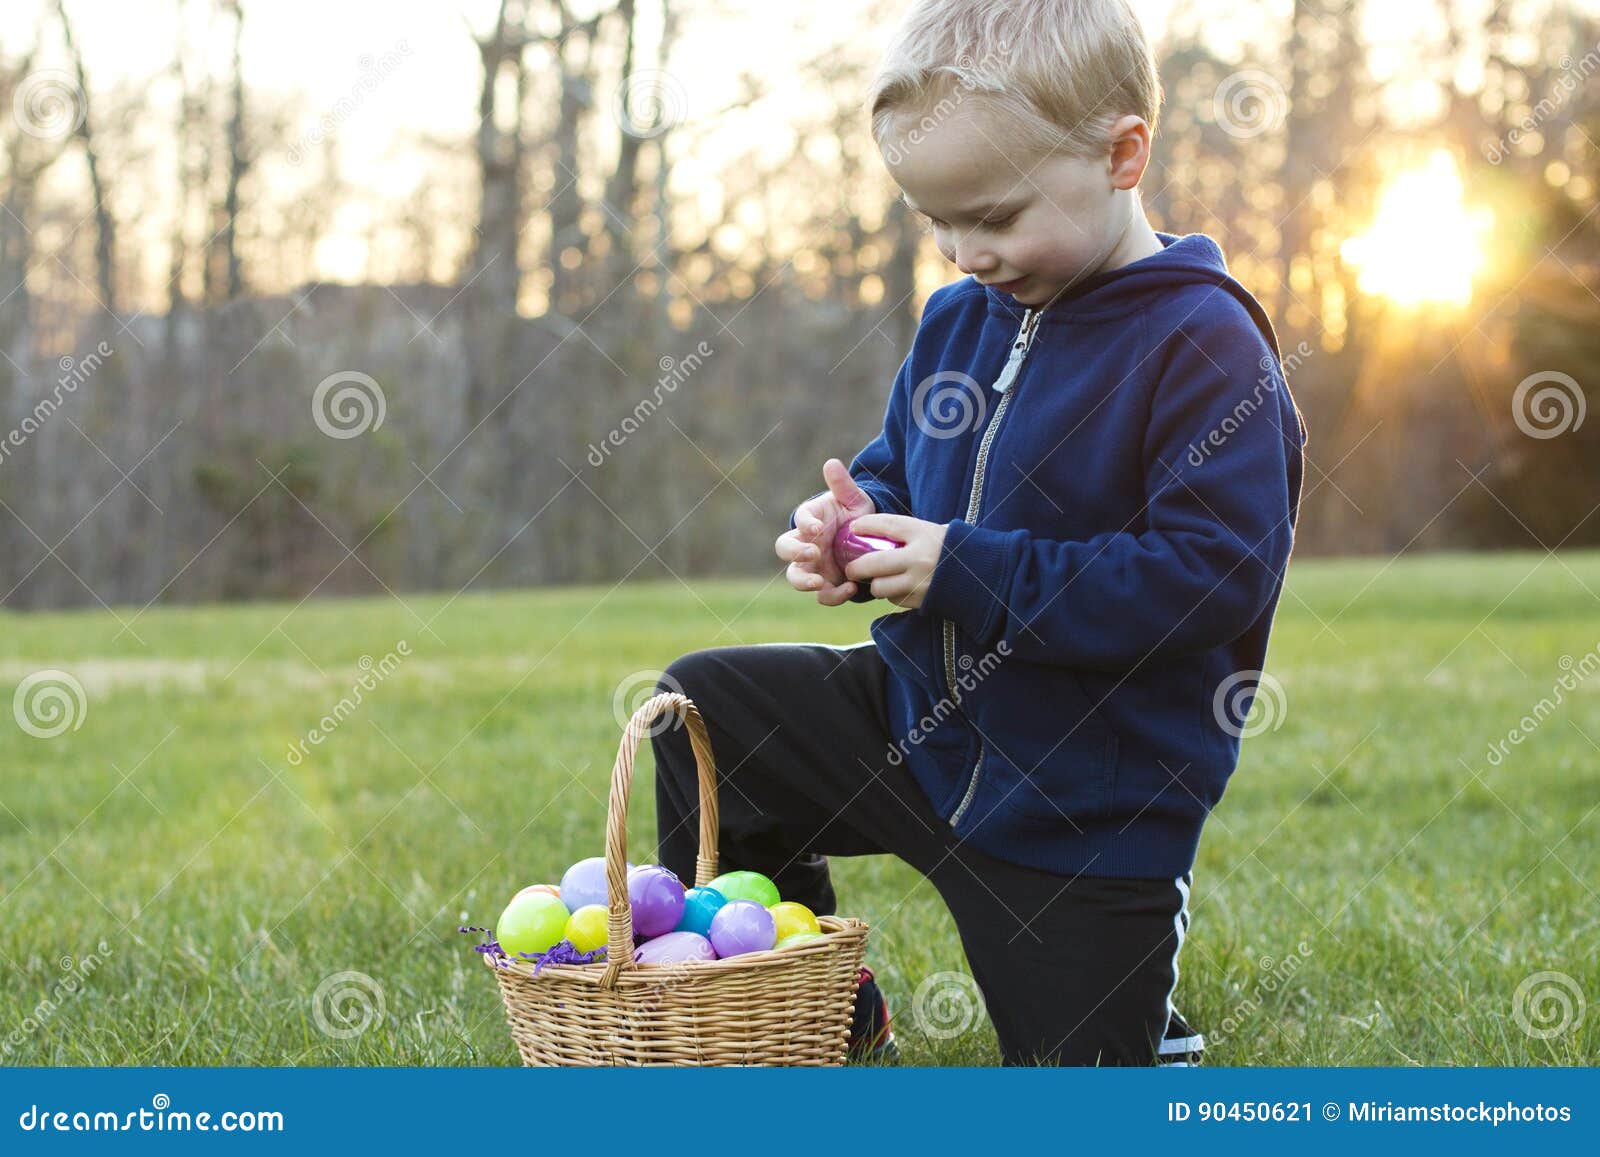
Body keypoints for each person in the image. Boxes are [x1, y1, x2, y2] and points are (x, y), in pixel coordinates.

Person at [653, 0, 1307, 1065]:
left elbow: (1207, 577)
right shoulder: (960, 316)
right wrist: (851, 525)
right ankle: (809, 999)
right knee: (706, 713)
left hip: (1079, 795)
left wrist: (966, 568)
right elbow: (904, 466)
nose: (965, 252)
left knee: (1077, 1080)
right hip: (919, 725)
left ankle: (1140, 1023)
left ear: (1122, 152)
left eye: (995, 216)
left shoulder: (1201, 343)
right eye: (935, 221)